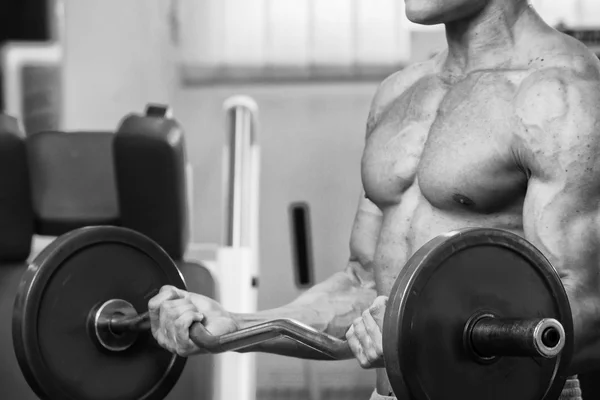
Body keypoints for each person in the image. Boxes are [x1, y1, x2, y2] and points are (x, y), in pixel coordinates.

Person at [148, 0, 600, 398]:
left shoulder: (563, 95)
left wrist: (424, 334)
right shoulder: (400, 93)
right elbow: (364, 285)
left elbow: (584, 307)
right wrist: (241, 325)